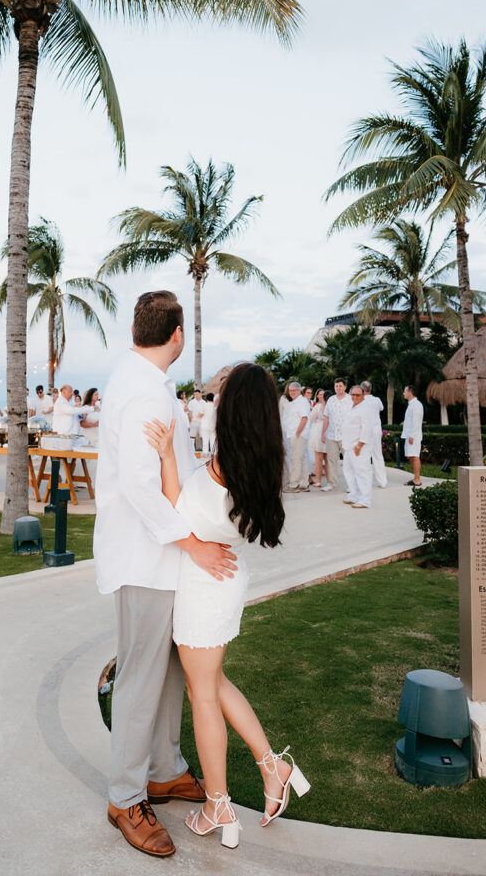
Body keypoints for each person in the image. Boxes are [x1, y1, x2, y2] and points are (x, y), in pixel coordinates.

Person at [94, 290, 237, 859]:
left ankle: (163, 768)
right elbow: (137, 485)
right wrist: (195, 544)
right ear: (177, 334)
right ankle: (126, 795)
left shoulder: (143, 381)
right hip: (146, 555)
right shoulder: (143, 391)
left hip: (162, 556)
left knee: (171, 669)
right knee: (139, 676)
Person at [144, 363, 310, 850]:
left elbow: (176, 510)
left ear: (231, 409)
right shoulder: (257, 465)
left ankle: (219, 805)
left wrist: (166, 460)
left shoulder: (219, 469)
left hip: (204, 583)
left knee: (203, 697)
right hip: (225, 578)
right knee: (212, 683)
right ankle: (271, 766)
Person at [341, 386, 374, 508]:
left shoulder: (366, 409)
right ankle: (353, 496)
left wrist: (359, 445)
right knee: (349, 472)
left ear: (363, 395)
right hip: (349, 446)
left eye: (357, 395)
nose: (354, 397)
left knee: (362, 472)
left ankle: (365, 500)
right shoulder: (352, 406)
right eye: (352, 394)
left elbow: (367, 428)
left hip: (359, 447)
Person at [321, 378, 352, 492]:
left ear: (345, 387)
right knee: (331, 460)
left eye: (340, 386)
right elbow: (326, 417)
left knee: (348, 461)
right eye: (336, 386)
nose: (338, 388)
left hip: (346, 435)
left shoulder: (350, 399)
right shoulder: (331, 400)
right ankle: (332, 483)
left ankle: (351, 484)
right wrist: (323, 433)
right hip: (331, 434)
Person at [361, 381, 387, 488]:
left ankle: (365, 482)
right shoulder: (377, 400)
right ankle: (382, 481)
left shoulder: (360, 400)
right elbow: (381, 408)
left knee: (365, 456)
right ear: (370, 389)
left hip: (365, 430)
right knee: (377, 455)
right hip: (376, 430)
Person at [285, 382, 310, 491]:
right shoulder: (297, 402)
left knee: (296, 460)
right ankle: (304, 483)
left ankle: (293, 485)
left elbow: (304, 418)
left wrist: (297, 433)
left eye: (294, 390)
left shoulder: (301, 402)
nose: (292, 392)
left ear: (300, 391)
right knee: (302, 459)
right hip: (297, 435)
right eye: (290, 390)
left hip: (298, 435)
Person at [402, 385, 424, 486]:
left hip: (413, 436)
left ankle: (417, 479)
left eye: (405, 391)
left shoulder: (416, 405)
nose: (403, 393)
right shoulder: (411, 404)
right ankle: (415, 478)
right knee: (411, 457)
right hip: (408, 435)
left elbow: (416, 422)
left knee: (415, 456)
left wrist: (412, 435)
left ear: (410, 392)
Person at [308, 389, 329, 488]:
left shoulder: (317, 407)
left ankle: (318, 481)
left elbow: (311, 419)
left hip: (318, 431)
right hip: (329, 431)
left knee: (318, 459)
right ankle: (330, 481)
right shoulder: (331, 406)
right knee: (328, 459)